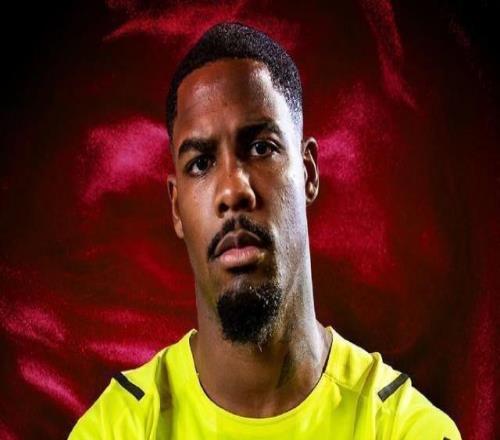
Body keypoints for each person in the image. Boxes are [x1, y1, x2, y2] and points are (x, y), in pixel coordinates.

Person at [69, 22, 461, 439]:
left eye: (261, 148)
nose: (233, 190)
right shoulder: (116, 429)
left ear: (308, 173)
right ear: (176, 207)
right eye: (200, 163)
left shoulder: (403, 428)